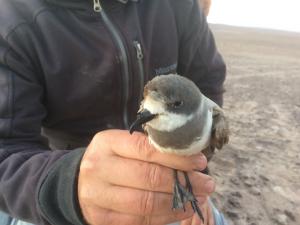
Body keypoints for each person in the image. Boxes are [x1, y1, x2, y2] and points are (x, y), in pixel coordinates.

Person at [0, 0, 227, 224]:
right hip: (59, 187)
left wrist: (192, 179)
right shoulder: (9, 19)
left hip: (172, 178)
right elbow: (6, 152)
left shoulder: (178, 5)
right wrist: (67, 187)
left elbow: (208, 82)